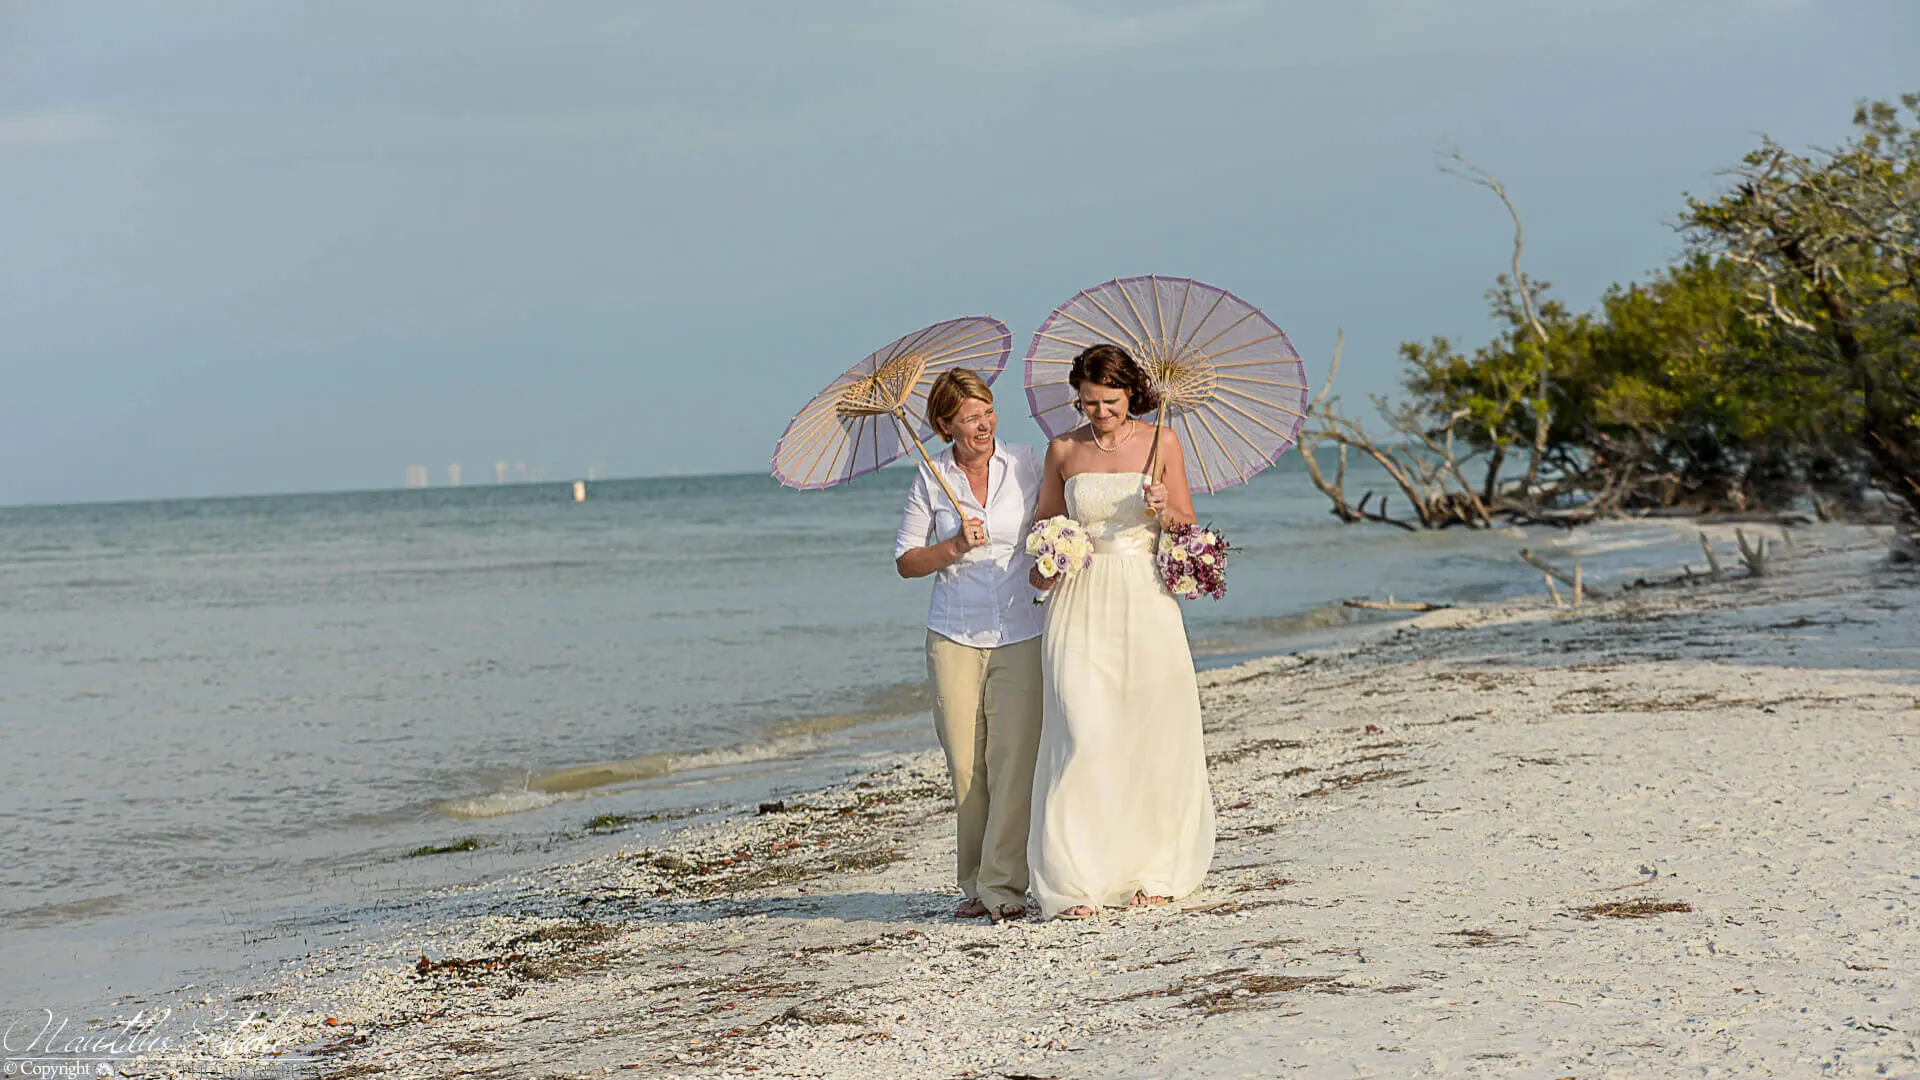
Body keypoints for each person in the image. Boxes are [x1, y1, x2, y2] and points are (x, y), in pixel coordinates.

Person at [1026, 343, 1216, 919]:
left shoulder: (1163, 441)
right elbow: (1043, 526)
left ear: (1131, 392)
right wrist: (1054, 549)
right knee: (1081, 727)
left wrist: (1164, 509)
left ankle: (1154, 868)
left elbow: (1185, 525)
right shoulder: (1063, 449)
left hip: (1144, 595)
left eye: (1109, 402)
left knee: (1151, 727)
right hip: (1080, 599)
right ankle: (1075, 876)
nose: (1099, 413)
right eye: (1088, 403)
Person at [895, 368, 1046, 923]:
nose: (983, 425)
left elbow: (1056, 523)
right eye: (969, 418)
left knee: (1013, 760)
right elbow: (907, 561)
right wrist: (955, 544)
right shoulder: (930, 478)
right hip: (953, 636)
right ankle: (974, 886)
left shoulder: (1026, 462)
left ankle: (1004, 887)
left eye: (987, 412)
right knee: (966, 764)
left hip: (1021, 631)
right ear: (944, 425)